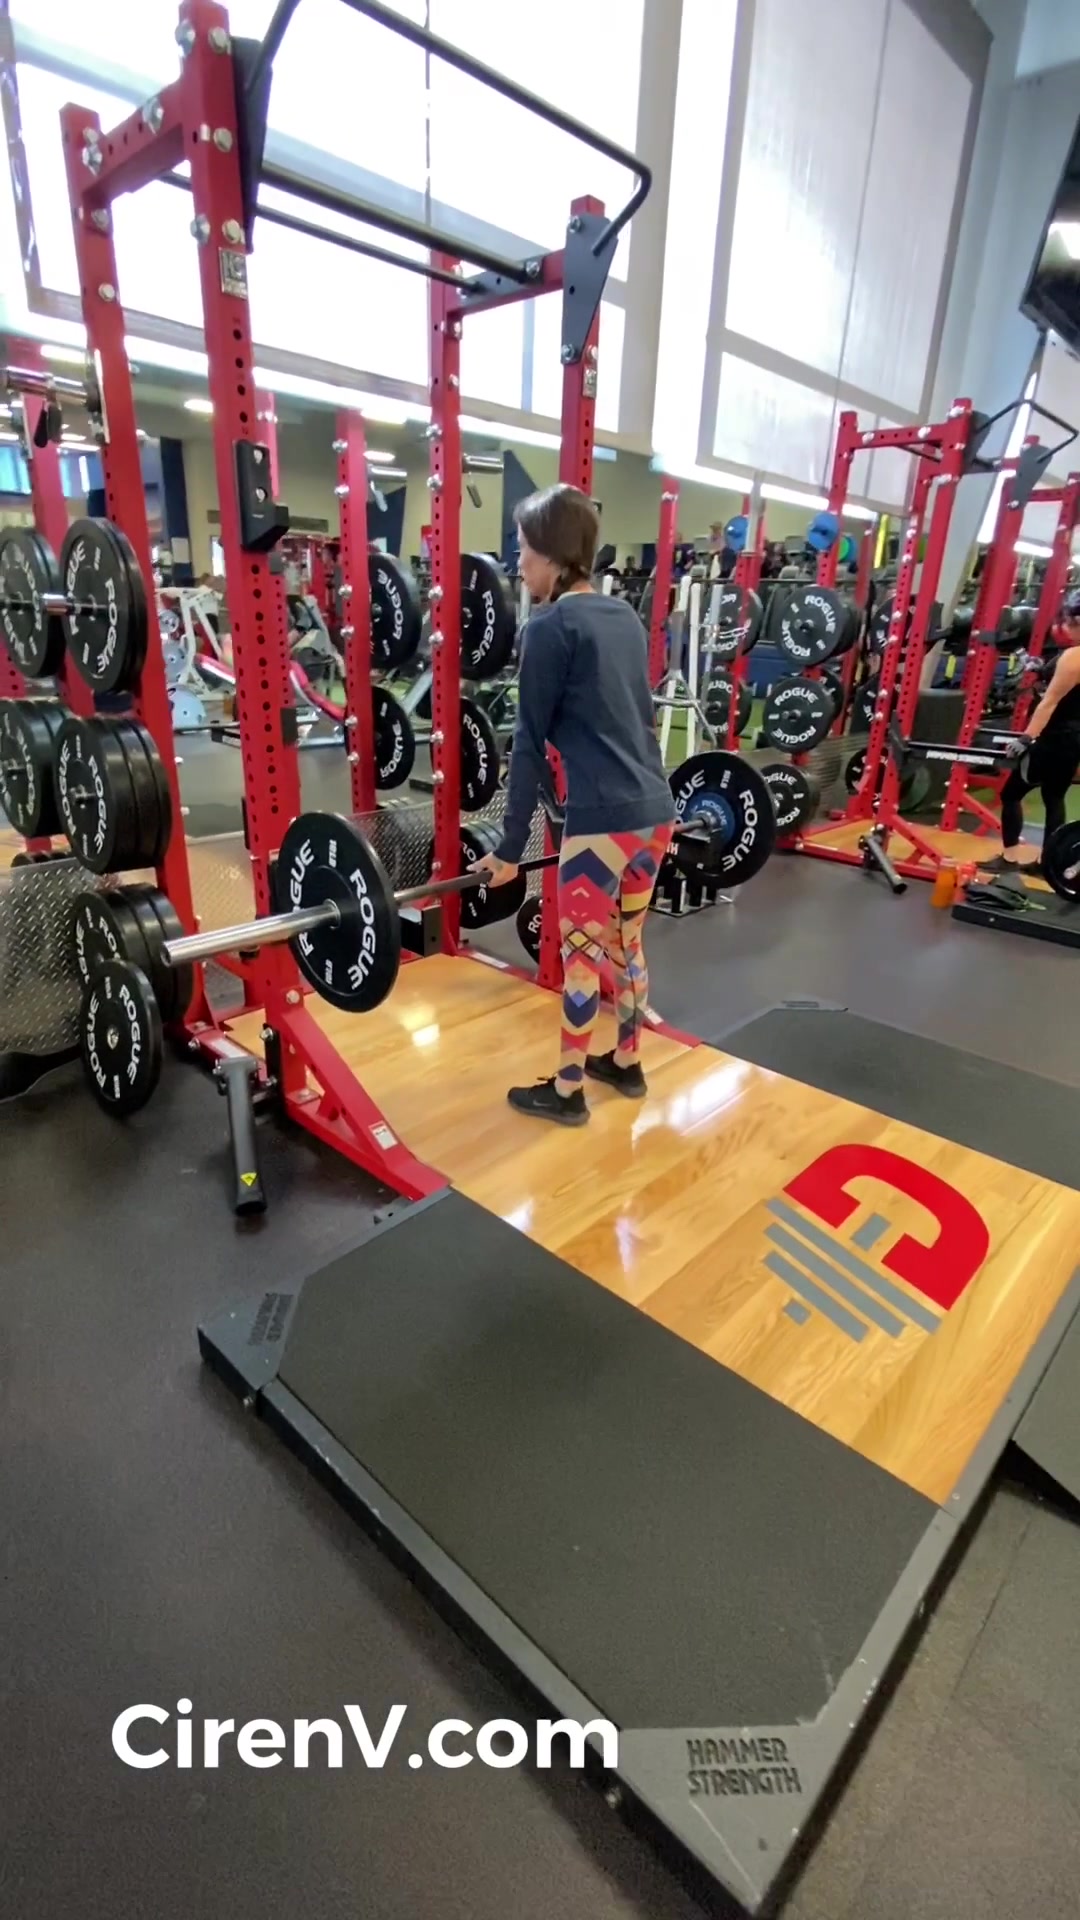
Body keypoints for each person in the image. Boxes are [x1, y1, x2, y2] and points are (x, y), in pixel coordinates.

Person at [472, 483, 675, 1126]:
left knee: (581, 955)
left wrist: (509, 850)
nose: (518, 564)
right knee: (627, 944)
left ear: (554, 556)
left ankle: (566, 1093)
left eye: (524, 550)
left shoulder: (549, 627)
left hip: (602, 824)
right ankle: (627, 1062)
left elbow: (528, 745)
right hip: (655, 814)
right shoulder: (624, 617)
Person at [982, 590, 1080, 874]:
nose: (1065, 627)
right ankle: (1049, 864)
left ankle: (1010, 858)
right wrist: (1041, 670)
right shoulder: (1070, 656)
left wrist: (1026, 738)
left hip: (1053, 738)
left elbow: (1049, 703)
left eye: (1069, 621)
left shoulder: (1073, 657)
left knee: (1011, 793)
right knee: (1054, 798)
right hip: (1073, 739)